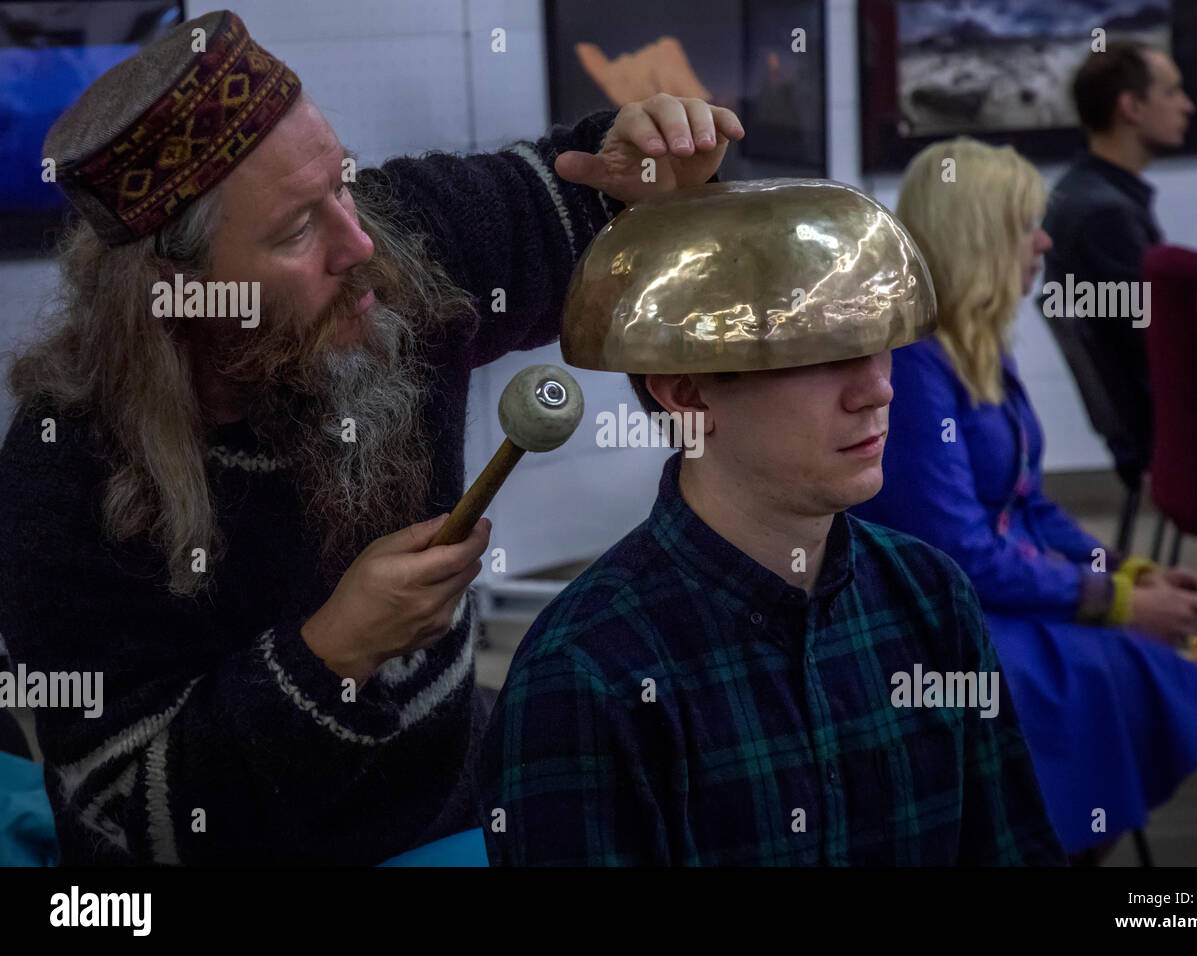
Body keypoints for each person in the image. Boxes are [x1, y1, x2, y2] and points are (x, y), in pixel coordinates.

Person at [0, 9, 740, 865]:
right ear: (176, 289)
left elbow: (582, 187)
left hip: (456, 808)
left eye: (341, 184)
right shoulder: (67, 471)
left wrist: (646, 162)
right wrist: (335, 652)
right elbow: (139, 816)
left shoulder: (388, 242)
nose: (357, 244)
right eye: (294, 231)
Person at [476, 179, 1066, 866]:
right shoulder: (584, 674)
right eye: (821, 356)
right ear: (689, 393)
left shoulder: (931, 597)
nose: (878, 389)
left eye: (878, 344)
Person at [851, 138, 1197, 858]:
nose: (1043, 241)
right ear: (976, 234)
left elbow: (1028, 505)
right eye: (1025, 224)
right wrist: (1116, 601)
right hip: (944, 628)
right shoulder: (913, 362)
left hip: (1001, 602)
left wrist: (1128, 571)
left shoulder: (975, 344)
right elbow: (959, 555)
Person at [1041, 40, 1195, 486]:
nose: (1187, 106)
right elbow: (1157, 342)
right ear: (1131, 106)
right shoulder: (1102, 213)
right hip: (1161, 435)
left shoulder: (1085, 194)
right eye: (1172, 92)